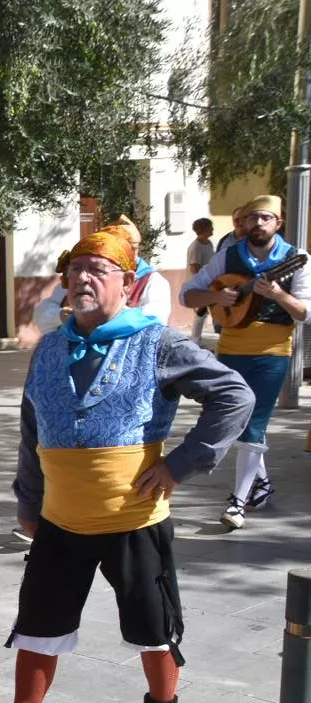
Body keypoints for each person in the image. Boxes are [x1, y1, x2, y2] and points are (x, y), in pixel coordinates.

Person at [0, 228, 252, 703]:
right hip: (60, 517)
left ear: (129, 283)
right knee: (39, 621)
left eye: (98, 270)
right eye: (75, 270)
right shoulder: (49, 348)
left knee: (152, 623)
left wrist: (180, 464)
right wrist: (28, 499)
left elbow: (235, 396)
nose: (83, 279)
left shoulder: (158, 343)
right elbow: (32, 428)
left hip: (133, 516)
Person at [180, 194, 311, 529]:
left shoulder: (296, 258)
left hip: (272, 352)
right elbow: (188, 294)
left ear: (278, 223)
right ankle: (261, 486)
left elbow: (305, 313)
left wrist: (279, 295)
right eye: (253, 218)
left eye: (265, 218)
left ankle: (238, 502)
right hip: (231, 349)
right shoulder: (228, 256)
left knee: (255, 424)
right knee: (236, 420)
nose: (258, 224)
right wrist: (215, 296)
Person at [33, 217, 171, 332]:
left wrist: (104, 317)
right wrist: (60, 316)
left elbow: (155, 318)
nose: (83, 277)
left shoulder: (151, 281)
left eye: (132, 248)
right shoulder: (77, 278)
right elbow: (42, 314)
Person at [187, 217, 217, 344]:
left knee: (207, 310)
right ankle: (195, 339)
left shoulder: (209, 244)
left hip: (210, 281)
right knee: (201, 311)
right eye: (210, 227)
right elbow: (194, 267)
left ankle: (197, 339)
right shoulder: (196, 247)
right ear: (204, 229)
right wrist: (202, 281)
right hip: (201, 283)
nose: (212, 230)